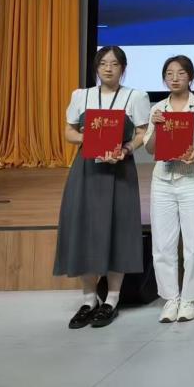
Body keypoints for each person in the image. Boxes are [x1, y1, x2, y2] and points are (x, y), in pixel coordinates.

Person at [54, 45, 151, 329]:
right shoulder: (81, 95)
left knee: (118, 228)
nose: (108, 68)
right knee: (84, 227)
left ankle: (112, 298)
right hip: (86, 169)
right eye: (103, 63)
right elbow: (69, 131)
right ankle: (89, 299)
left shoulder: (136, 96)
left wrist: (126, 149)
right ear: (96, 67)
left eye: (114, 64)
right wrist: (88, 138)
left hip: (119, 169)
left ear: (123, 68)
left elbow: (143, 133)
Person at [143, 55, 194, 323]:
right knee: (162, 245)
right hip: (162, 180)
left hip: (193, 180)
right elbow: (149, 148)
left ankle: (189, 299)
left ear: (191, 77)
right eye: (169, 74)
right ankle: (170, 298)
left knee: (193, 243)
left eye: (181, 73)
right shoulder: (158, 108)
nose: (174, 78)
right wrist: (155, 126)